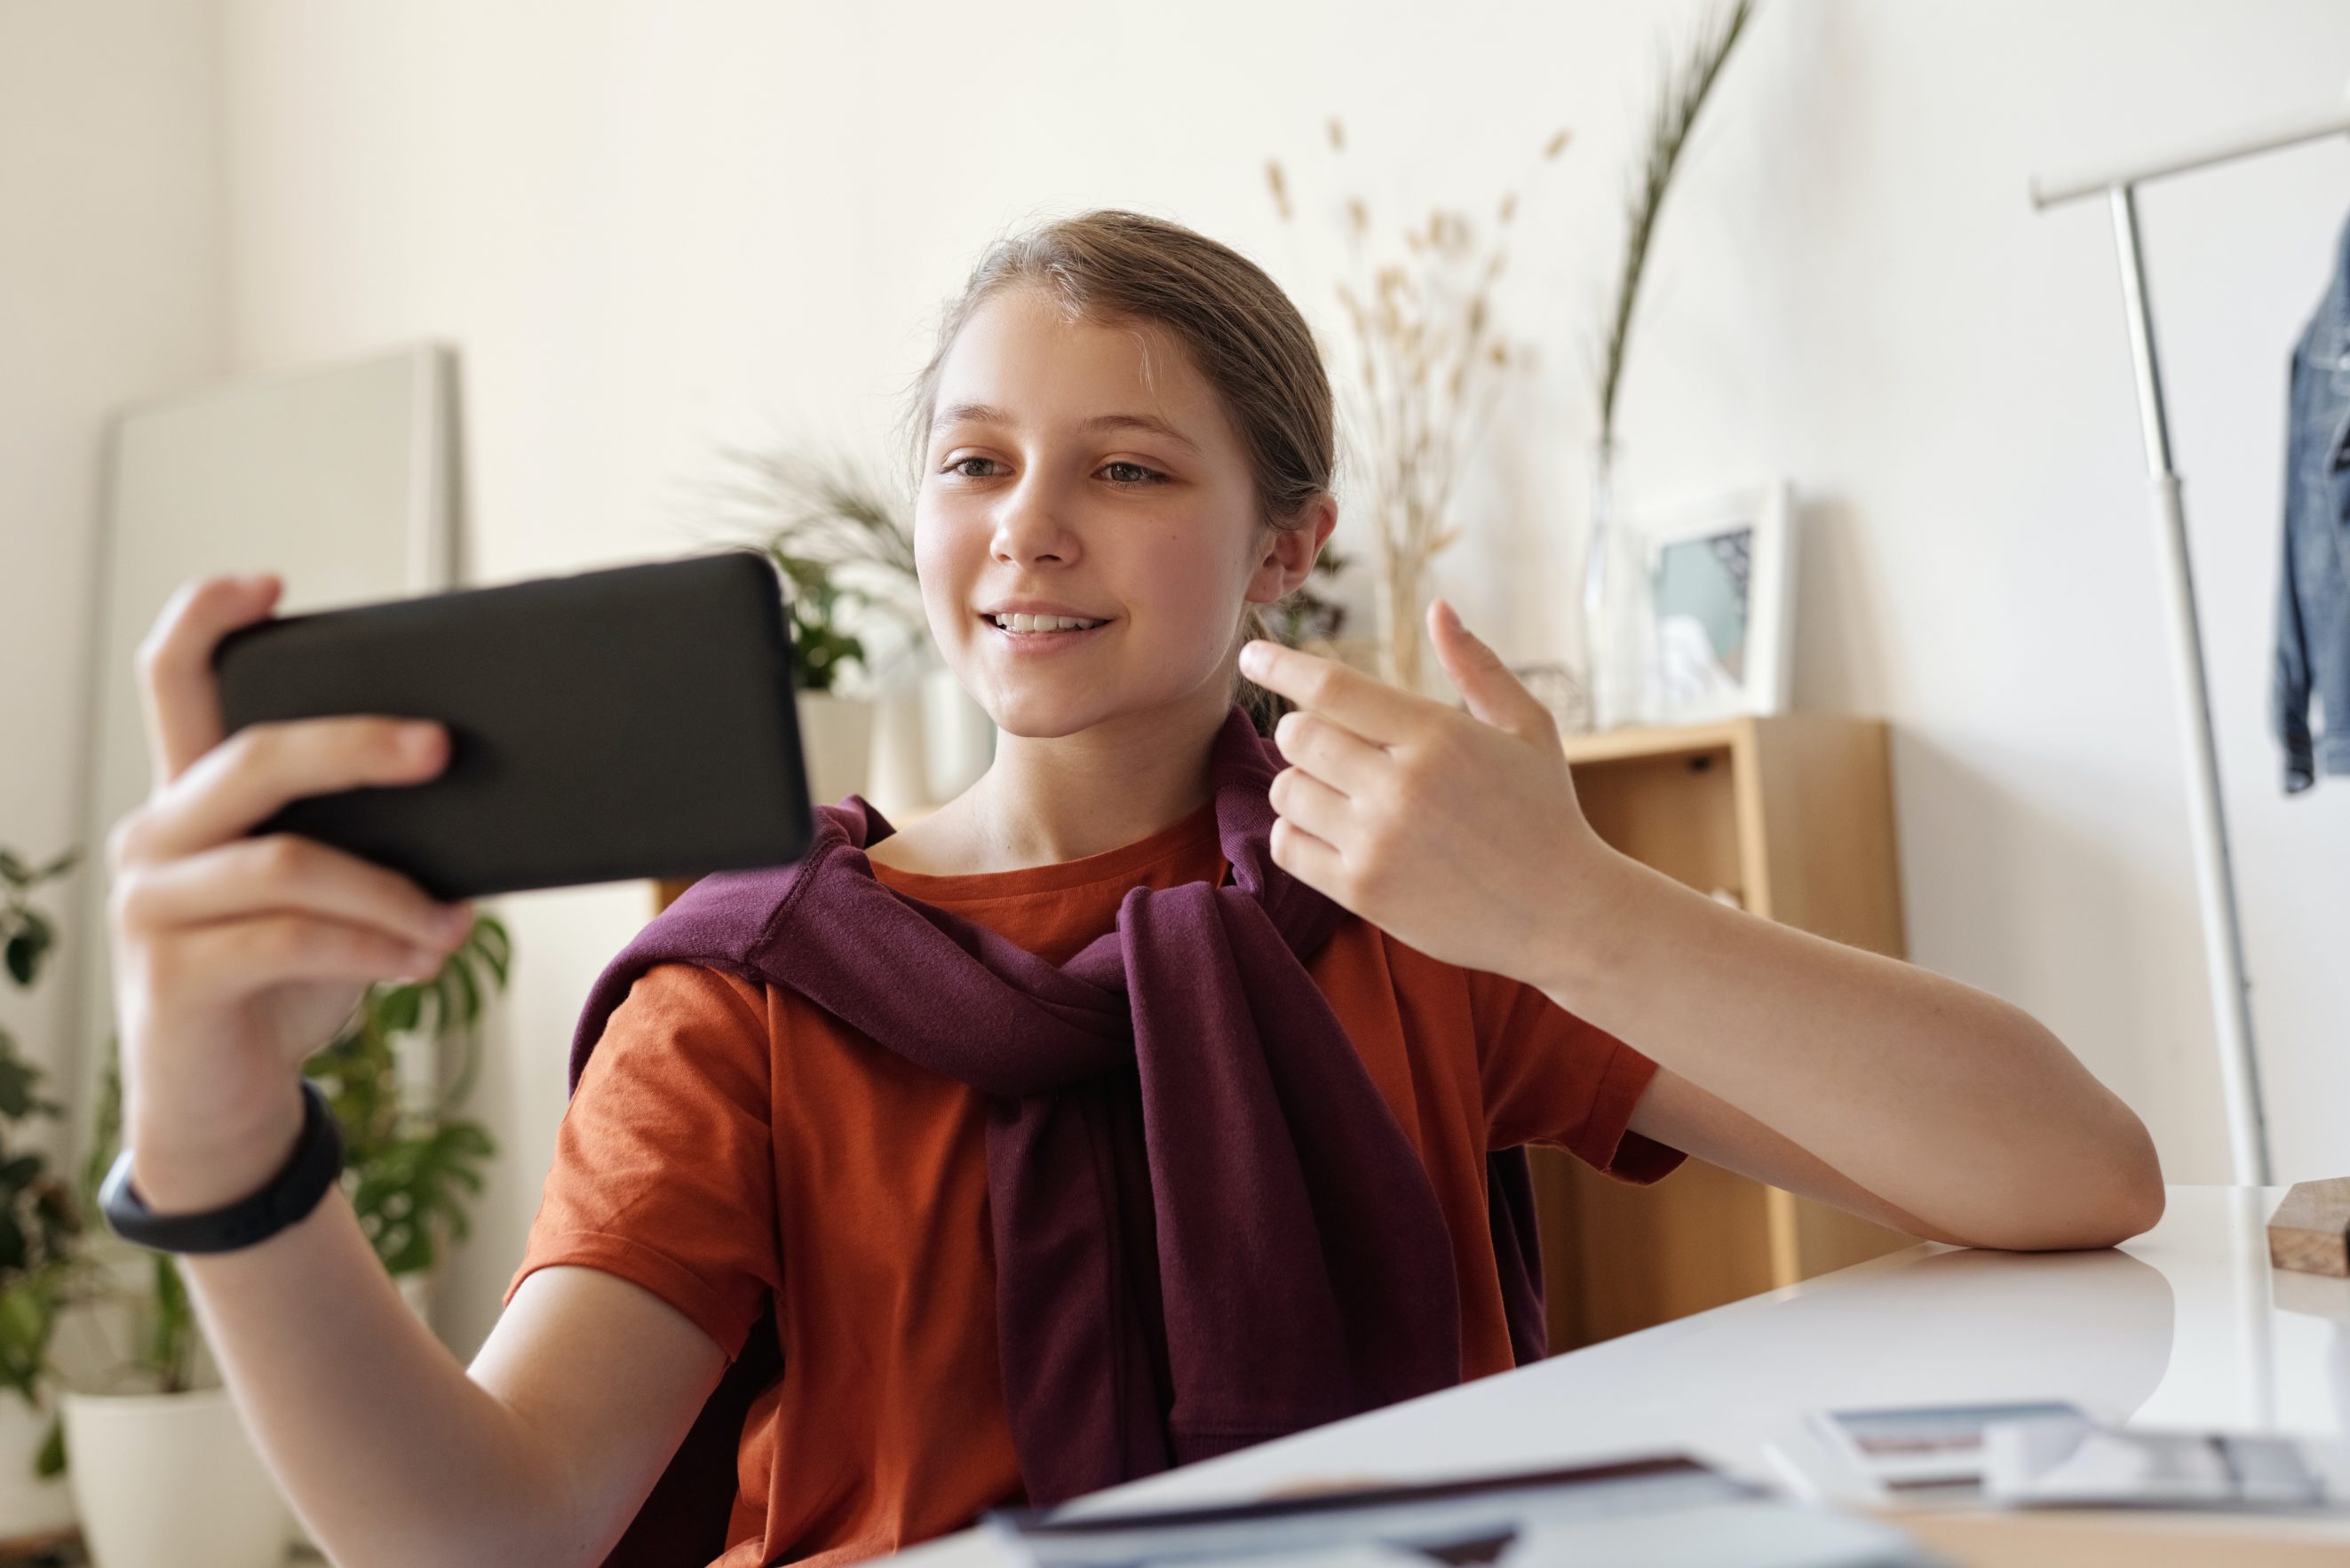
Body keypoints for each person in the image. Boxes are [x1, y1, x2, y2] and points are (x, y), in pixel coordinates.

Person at [104, 210, 2163, 1568]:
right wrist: (218, 1136)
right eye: (975, 461)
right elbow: (494, 1530)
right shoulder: (747, 991)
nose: (1031, 531)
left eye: (1132, 467)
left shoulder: (1422, 905)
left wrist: (1580, 910)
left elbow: (2073, 1172)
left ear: (1289, 545)